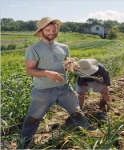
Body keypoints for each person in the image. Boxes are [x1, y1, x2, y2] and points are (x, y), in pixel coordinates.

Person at [22, 17, 93, 148]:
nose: (51, 32)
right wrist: (47, 73)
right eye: (48, 30)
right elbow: (29, 70)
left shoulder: (63, 47)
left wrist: (73, 65)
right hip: (43, 90)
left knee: (76, 111)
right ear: (41, 31)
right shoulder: (33, 49)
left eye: (54, 30)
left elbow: (66, 65)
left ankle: (88, 132)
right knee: (34, 117)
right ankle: (24, 142)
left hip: (64, 87)